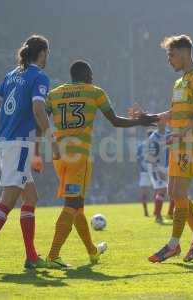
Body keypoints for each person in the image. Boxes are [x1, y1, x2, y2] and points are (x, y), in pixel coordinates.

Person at [45, 60, 156, 268]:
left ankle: (92, 252)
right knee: (71, 205)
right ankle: (52, 256)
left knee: (77, 207)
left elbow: (40, 118)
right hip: (79, 157)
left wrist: (49, 141)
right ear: (86, 74)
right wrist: (141, 122)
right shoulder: (94, 92)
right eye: (91, 75)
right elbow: (115, 121)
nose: (93, 78)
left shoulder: (54, 94)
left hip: (59, 157)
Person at [0, 35, 59, 272]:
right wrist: (52, 139)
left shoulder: (11, 75)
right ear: (42, 53)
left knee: (31, 198)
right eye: (47, 53)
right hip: (19, 144)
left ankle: (31, 257)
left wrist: (6, 126)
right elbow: (39, 110)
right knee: (7, 200)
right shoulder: (39, 76)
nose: (48, 57)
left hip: (8, 142)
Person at [131, 35, 193, 263]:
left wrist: (183, 132)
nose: (169, 60)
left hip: (192, 145)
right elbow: (172, 114)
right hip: (178, 143)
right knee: (175, 194)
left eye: (171, 55)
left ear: (185, 53)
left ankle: (173, 245)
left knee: (177, 194)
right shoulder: (179, 82)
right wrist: (146, 117)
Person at [147, 123, 173, 223]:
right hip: (156, 167)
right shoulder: (153, 137)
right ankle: (158, 216)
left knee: (173, 190)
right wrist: (158, 170)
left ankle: (170, 214)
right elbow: (151, 157)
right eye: (160, 121)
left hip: (167, 166)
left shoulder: (169, 133)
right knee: (161, 190)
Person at [137, 129, 154, 217]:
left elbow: (138, 159)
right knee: (159, 191)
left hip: (144, 171)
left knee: (144, 193)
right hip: (155, 171)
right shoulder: (156, 144)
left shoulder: (141, 146)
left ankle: (146, 212)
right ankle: (156, 212)